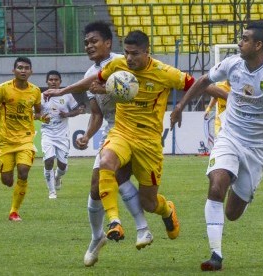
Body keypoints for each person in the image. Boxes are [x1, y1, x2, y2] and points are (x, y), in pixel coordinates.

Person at [44, 29, 227, 254]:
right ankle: (114, 221)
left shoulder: (164, 72)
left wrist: (231, 97)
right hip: (121, 132)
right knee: (106, 163)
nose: (130, 58)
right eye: (127, 53)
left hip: (148, 142)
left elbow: (199, 84)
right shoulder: (117, 65)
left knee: (149, 203)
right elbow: (93, 80)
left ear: (147, 52)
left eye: (135, 54)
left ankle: (167, 210)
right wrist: (63, 90)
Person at [170, 21, 263, 271]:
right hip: (229, 136)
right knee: (217, 183)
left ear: (258, 45)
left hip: (257, 148)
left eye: (244, 38)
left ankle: (240, 189)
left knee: (232, 213)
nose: (239, 42)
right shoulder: (232, 64)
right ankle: (216, 255)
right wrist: (179, 106)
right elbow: (202, 81)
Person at [73, 22, 152, 267]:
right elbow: (96, 113)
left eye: (94, 40)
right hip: (112, 131)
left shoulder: (126, 62)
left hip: (138, 130)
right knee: (96, 187)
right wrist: (87, 135)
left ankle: (141, 227)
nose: (89, 45)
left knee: (119, 176)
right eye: (86, 42)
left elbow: (148, 85)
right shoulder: (89, 76)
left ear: (108, 42)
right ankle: (98, 236)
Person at [0, 56, 48, 222]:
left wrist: (42, 117)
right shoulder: (3, 89)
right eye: (20, 67)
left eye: (26, 68)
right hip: (5, 141)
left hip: (25, 139)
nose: (23, 70)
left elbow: (38, 112)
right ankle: (8, 179)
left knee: (23, 171)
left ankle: (14, 211)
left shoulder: (35, 91)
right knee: (7, 181)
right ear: (14, 71)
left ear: (31, 72)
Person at [40, 70, 84, 199]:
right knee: (48, 160)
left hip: (62, 135)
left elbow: (79, 110)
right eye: (51, 80)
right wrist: (42, 118)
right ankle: (52, 192)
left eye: (56, 80)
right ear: (47, 81)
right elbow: (34, 114)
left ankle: (58, 177)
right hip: (47, 133)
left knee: (62, 166)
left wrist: (67, 114)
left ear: (60, 82)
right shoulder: (41, 96)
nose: (53, 82)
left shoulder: (67, 96)